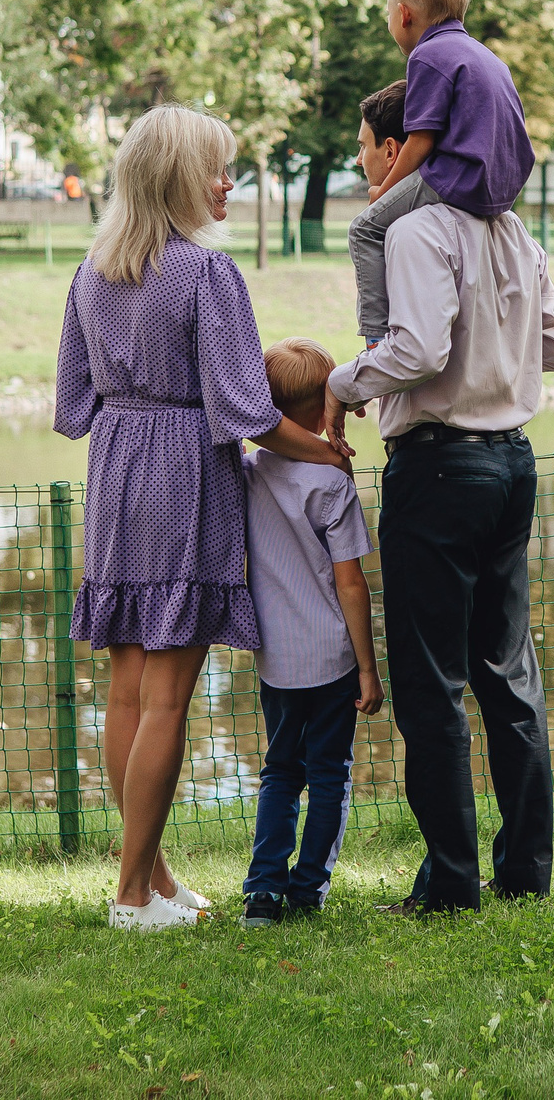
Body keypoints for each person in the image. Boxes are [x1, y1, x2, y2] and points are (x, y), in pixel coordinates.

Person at [54, 105, 350, 933]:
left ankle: (151, 877)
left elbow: (76, 401)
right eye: (218, 169)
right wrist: (326, 452)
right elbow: (247, 409)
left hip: (114, 471)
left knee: (124, 692)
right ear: (182, 177)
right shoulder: (205, 275)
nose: (229, 183)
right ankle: (127, 895)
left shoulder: (91, 271)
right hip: (182, 474)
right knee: (168, 699)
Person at [327, 78, 554, 915]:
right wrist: (497, 355)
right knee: (508, 671)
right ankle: (525, 872)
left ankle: (451, 887)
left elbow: (419, 349)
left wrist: (341, 380)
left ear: (400, 149)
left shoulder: (416, 229)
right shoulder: (514, 230)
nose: (362, 163)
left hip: (437, 467)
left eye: (365, 147)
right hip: (514, 463)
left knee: (431, 685)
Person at [240, 337, 384, 929]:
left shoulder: (248, 473)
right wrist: (369, 667)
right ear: (323, 405)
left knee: (279, 771)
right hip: (330, 657)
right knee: (330, 776)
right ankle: (309, 889)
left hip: (275, 654)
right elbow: (351, 584)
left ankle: (263, 893)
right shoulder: (332, 484)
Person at [347, 0, 534, 348]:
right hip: (500, 189)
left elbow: (420, 142)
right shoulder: (486, 56)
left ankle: (377, 340)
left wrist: (384, 192)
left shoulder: (428, 57)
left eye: (387, 16)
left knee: (364, 229)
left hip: (459, 178)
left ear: (404, 14)